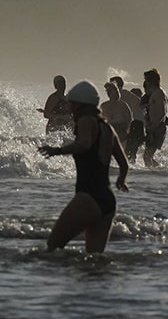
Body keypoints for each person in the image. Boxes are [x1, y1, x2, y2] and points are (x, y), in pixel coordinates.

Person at [36, 81, 130, 253]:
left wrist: (57, 150)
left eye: (72, 103)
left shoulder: (86, 120)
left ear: (80, 104)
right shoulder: (108, 128)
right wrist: (121, 180)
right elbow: (124, 164)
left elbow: (85, 144)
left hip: (88, 197)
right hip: (108, 202)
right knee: (94, 260)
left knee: (52, 249)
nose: (70, 107)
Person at [141, 69, 168, 167]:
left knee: (147, 156)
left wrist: (154, 126)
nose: (145, 82)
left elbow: (162, 112)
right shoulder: (155, 93)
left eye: (146, 79)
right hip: (154, 127)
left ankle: (159, 171)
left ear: (150, 81)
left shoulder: (159, 94)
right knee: (147, 156)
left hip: (157, 128)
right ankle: (156, 172)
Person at [100, 81, 132, 149]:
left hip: (121, 132)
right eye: (114, 91)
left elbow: (129, 120)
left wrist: (128, 132)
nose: (117, 93)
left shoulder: (123, 105)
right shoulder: (104, 106)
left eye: (117, 91)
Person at [125, 86, 146, 162]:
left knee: (130, 151)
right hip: (141, 132)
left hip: (135, 130)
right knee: (133, 151)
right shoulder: (144, 108)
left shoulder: (135, 108)